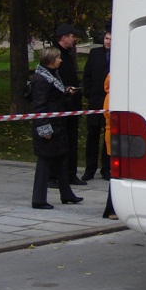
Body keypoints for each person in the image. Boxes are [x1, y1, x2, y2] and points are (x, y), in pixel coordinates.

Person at [29, 46, 83, 209]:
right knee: (45, 162)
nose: (61, 60)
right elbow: (40, 107)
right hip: (48, 126)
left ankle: (66, 194)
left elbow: (54, 96)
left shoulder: (53, 75)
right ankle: (38, 199)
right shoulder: (40, 80)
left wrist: (65, 92)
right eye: (58, 58)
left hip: (58, 124)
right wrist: (44, 130)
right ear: (51, 60)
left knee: (61, 159)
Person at [54, 22, 87, 186]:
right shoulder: (55, 54)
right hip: (60, 105)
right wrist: (65, 90)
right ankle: (56, 175)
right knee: (60, 141)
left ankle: (70, 173)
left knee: (72, 140)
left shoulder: (69, 54)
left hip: (72, 104)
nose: (74, 39)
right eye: (72, 36)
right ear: (64, 37)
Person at [82, 27, 111, 181]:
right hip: (95, 100)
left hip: (110, 101)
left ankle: (106, 168)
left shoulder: (119, 55)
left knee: (108, 135)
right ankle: (90, 169)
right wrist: (88, 92)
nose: (108, 42)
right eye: (107, 39)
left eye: (112, 39)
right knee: (92, 136)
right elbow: (87, 74)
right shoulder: (95, 54)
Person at [101, 73, 117, 221]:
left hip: (113, 136)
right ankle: (111, 208)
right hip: (113, 137)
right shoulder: (111, 97)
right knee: (116, 173)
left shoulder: (110, 96)